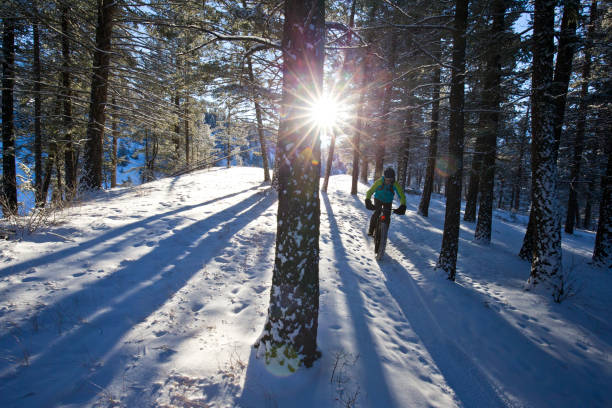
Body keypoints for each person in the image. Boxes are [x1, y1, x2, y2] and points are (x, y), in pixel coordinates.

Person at [365, 167, 407, 236]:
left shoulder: (395, 184)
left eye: (390, 179)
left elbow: (401, 195)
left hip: (388, 201)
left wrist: (403, 205)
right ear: (384, 177)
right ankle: (371, 230)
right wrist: (367, 200)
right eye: (387, 179)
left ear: (393, 178)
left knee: (387, 216)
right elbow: (370, 191)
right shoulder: (379, 182)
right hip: (378, 199)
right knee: (377, 212)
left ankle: (384, 233)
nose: (388, 181)